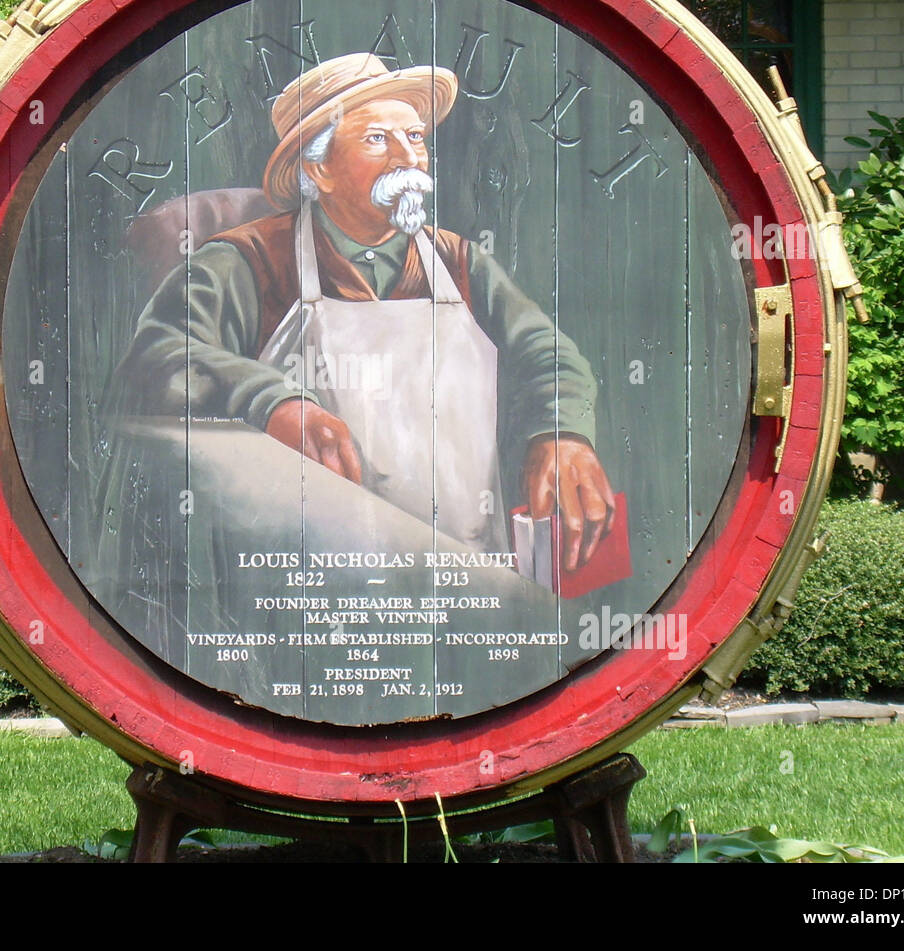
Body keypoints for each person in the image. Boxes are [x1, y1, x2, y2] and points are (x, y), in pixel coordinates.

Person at [120, 53, 614, 569]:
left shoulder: (458, 262)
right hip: (297, 581)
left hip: (461, 575)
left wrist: (563, 431)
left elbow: (548, 353)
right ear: (319, 169)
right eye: (379, 139)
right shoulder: (247, 260)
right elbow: (157, 356)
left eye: (416, 137)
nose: (409, 157)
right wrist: (273, 401)